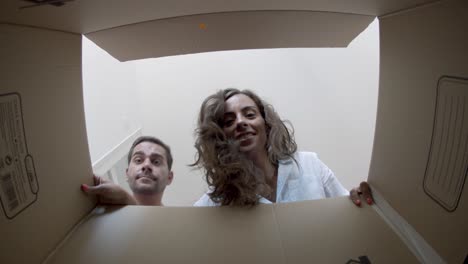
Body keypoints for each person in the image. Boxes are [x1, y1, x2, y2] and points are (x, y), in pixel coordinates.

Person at [191, 88, 372, 206]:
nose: (240, 122)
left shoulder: (310, 165)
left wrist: (359, 198)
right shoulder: (212, 203)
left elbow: (348, 207)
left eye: (250, 114)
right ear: (219, 137)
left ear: (266, 123)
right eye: (229, 121)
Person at [81, 136, 174, 206]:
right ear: (127, 174)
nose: (146, 165)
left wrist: (128, 202)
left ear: (169, 178)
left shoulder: (178, 223)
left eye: (156, 161)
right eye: (138, 160)